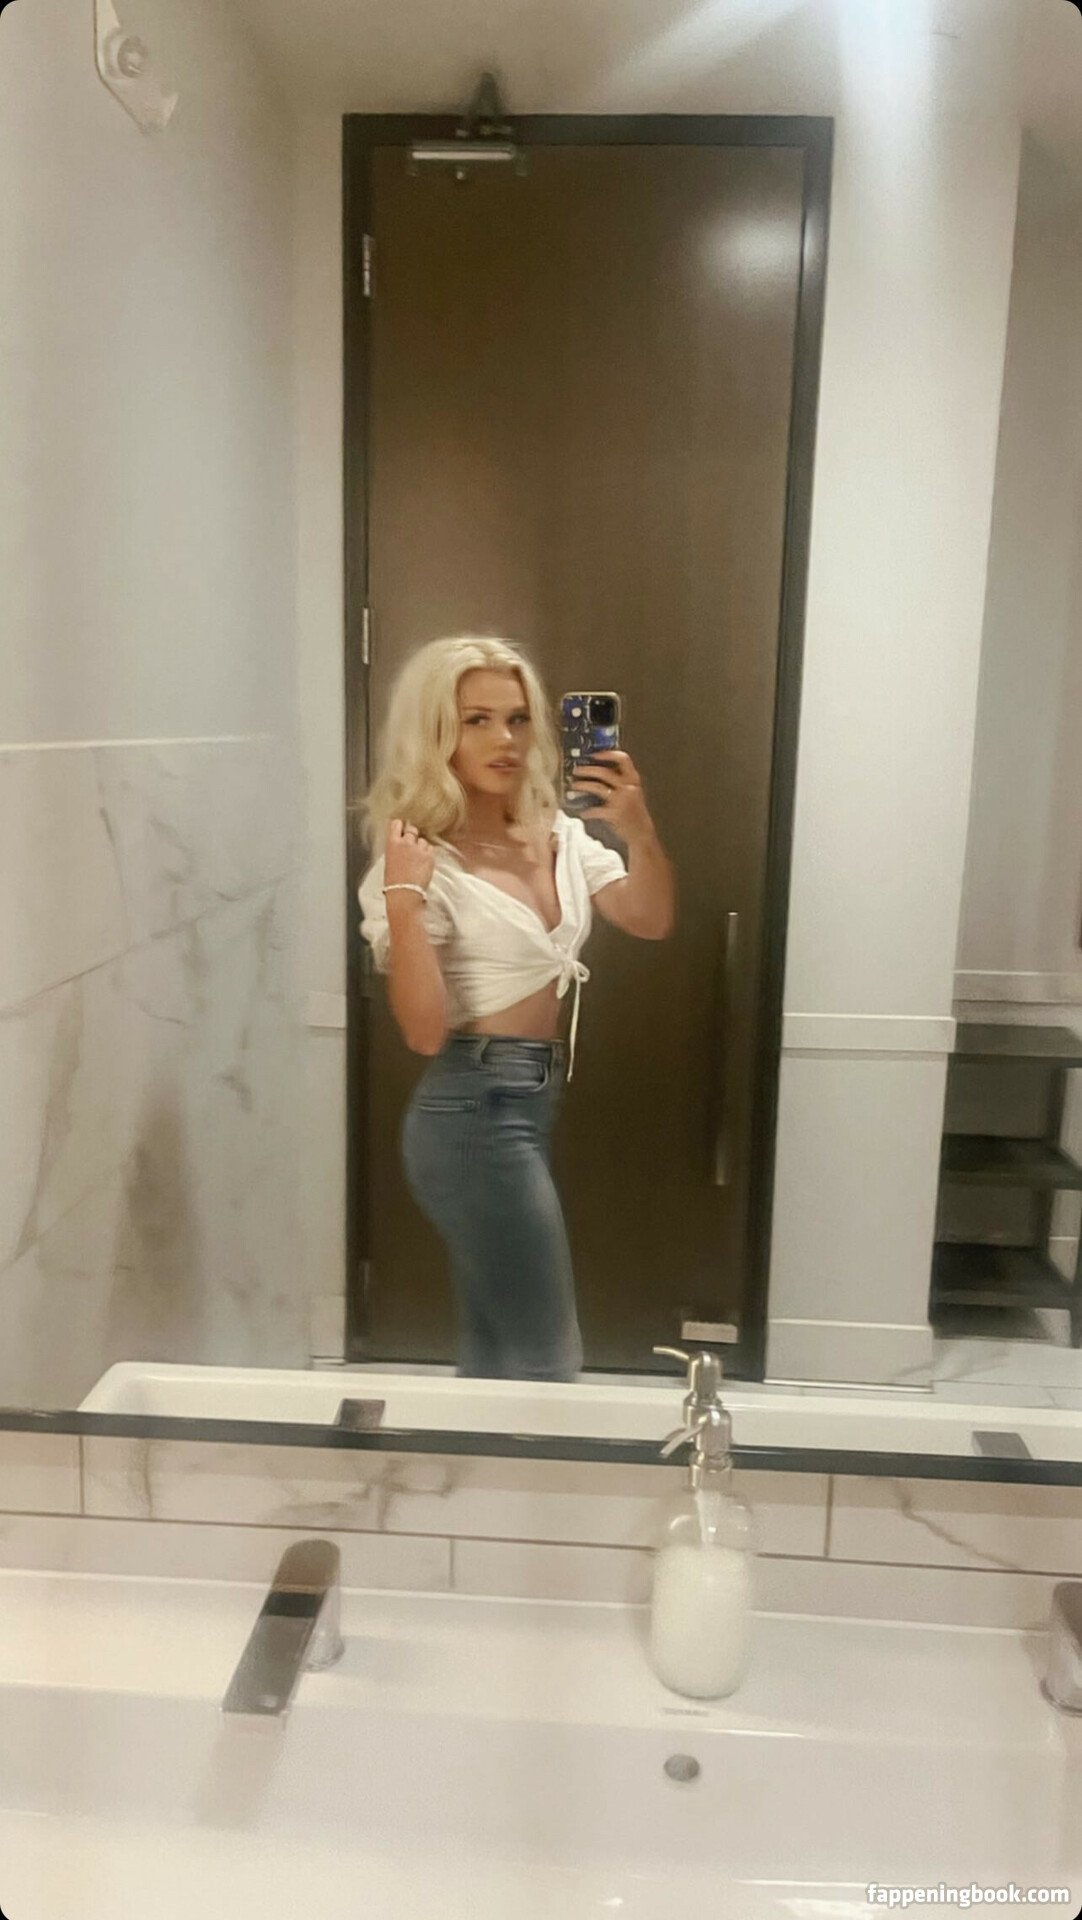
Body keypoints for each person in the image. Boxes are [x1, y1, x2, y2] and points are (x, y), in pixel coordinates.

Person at [359, 635, 674, 1380]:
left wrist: (637, 830)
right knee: (545, 1356)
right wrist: (404, 899)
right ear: (437, 733)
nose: (505, 739)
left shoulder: (560, 834)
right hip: (470, 1114)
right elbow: (423, 1032)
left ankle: (473, 1459)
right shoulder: (419, 862)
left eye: (518, 718)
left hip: (528, 1101)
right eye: (476, 720)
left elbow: (650, 918)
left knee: (498, 1347)